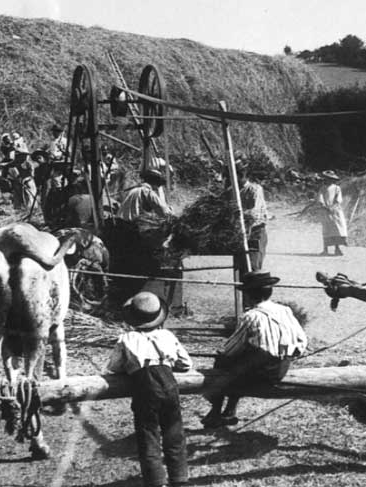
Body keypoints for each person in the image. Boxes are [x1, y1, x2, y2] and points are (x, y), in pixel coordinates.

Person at [201, 270, 307, 428]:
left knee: (224, 363)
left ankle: (216, 411)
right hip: (281, 368)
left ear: (249, 295)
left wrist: (223, 354)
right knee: (245, 361)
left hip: (261, 372)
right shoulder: (285, 310)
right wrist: (286, 352)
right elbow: (302, 340)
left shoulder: (252, 316)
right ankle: (229, 411)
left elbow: (233, 346)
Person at [106, 292, 191, 487]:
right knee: (174, 433)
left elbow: (114, 367)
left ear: (133, 317)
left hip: (144, 386)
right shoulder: (167, 335)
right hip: (169, 384)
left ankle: (156, 482)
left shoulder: (126, 339)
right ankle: (179, 479)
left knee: (148, 435)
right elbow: (186, 363)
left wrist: (131, 366)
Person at [237, 161, 268, 272]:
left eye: (240, 174)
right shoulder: (232, 191)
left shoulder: (254, 189)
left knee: (253, 267)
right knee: (241, 267)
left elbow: (254, 213)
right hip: (240, 233)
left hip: (255, 232)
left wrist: (238, 213)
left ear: (244, 175)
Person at [316, 170, 348, 256]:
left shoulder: (337, 188)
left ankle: (337, 249)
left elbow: (338, 199)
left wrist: (333, 207)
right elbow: (320, 199)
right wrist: (324, 206)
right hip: (325, 211)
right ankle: (325, 249)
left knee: (337, 229)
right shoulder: (322, 188)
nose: (328, 180)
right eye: (327, 179)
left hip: (335, 211)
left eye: (330, 179)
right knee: (326, 229)